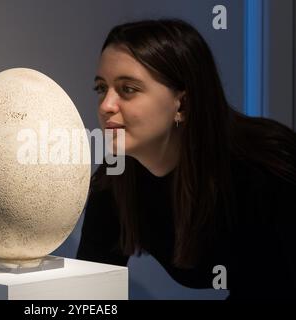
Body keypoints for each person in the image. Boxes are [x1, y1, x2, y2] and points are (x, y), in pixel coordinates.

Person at [76, 18, 296, 299]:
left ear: (182, 103)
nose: (106, 105)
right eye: (101, 88)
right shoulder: (115, 179)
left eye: (128, 89)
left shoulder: (264, 168)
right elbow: (88, 296)